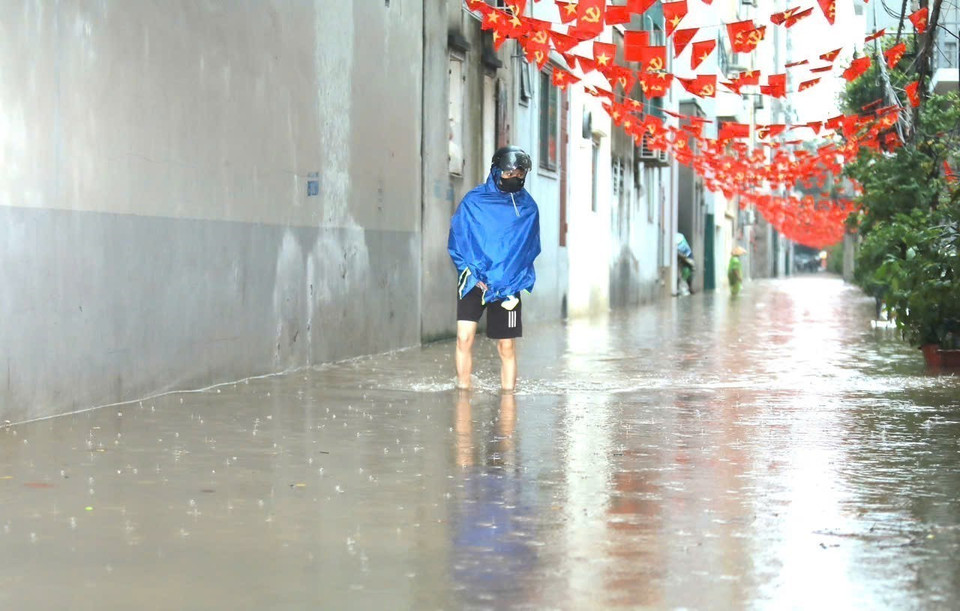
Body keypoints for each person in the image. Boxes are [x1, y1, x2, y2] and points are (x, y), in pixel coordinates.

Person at [448, 146, 541, 392]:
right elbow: (457, 238)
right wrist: (471, 272)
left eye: (520, 174)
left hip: (508, 286)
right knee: (464, 338)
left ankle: (508, 400)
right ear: (496, 171)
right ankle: (463, 394)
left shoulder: (528, 208)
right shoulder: (474, 201)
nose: (515, 178)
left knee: (506, 346)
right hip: (474, 281)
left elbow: (529, 249)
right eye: (510, 173)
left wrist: (512, 281)